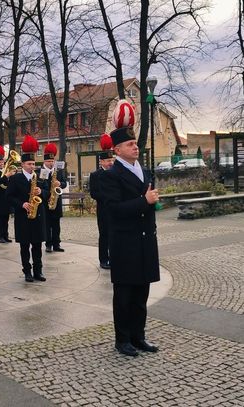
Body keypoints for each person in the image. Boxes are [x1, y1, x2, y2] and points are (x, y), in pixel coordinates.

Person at [102, 100, 160, 357]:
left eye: (135, 143)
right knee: (124, 295)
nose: (135, 146)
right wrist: (143, 201)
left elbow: (146, 204)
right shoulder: (110, 175)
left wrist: (151, 203)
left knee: (141, 294)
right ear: (117, 149)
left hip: (145, 240)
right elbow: (113, 210)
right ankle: (122, 339)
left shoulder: (144, 171)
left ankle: (139, 336)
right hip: (125, 243)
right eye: (130, 144)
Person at [6, 135, 48, 282]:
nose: (32, 166)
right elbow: (9, 197)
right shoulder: (15, 179)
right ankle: (27, 272)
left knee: (37, 246)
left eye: (33, 163)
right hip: (23, 217)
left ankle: (38, 271)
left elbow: (48, 193)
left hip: (38, 216)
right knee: (24, 247)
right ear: (22, 164)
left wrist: (41, 192)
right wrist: (22, 204)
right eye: (29, 164)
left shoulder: (40, 178)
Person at [89, 135, 115, 270]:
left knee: (115, 234)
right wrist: (108, 197)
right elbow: (94, 193)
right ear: (101, 162)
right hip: (104, 210)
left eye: (112, 159)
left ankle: (115, 257)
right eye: (107, 160)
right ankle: (104, 259)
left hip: (116, 209)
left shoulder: (116, 173)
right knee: (104, 235)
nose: (110, 163)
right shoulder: (95, 175)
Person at [38, 143, 67, 253]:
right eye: (49, 161)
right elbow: (40, 186)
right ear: (44, 161)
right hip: (45, 202)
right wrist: (48, 195)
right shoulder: (41, 172)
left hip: (56, 201)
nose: (51, 163)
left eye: (52, 161)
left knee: (56, 224)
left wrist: (60, 183)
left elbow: (64, 183)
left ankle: (57, 244)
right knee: (47, 224)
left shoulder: (57, 171)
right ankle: (48, 244)